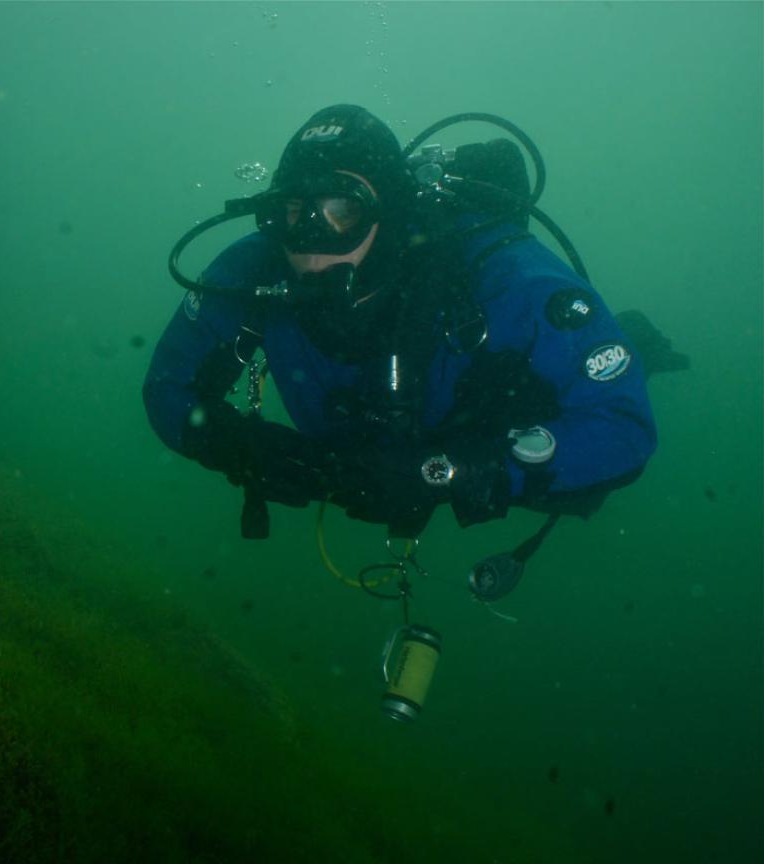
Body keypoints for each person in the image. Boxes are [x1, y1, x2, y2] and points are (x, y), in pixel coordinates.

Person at [143, 105, 675, 599]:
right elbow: (167, 386)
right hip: (365, 442)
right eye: (291, 210)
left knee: (573, 478)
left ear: (389, 210)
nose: (309, 238)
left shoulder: (508, 278)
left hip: (478, 426)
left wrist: (445, 471)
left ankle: (633, 341)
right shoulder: (254, 269)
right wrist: (238, 446)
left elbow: (625, 428)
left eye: (341, 210)